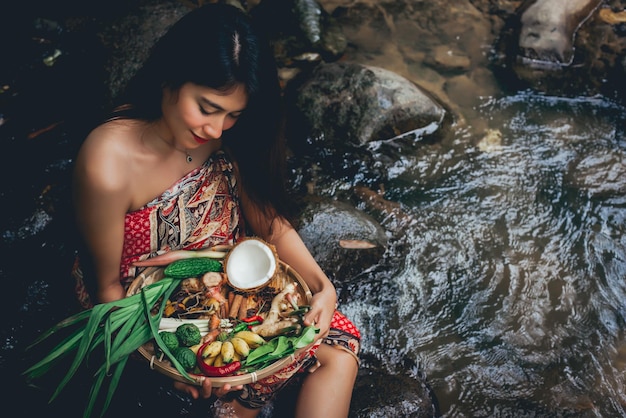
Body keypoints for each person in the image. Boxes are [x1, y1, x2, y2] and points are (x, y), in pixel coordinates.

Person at [71, 3, 360, 417]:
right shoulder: (108, 163)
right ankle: (239, 406)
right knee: (218, 391)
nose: (215, 129)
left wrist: (322, 287)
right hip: (150, 308)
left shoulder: (227, 138)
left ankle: (241, 403)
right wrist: (175, 363)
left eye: (233, 115)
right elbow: (107, 293)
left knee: (339, 348)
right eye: (206, 107)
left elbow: (268, 223)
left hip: (230, 283)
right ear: (171, 78)